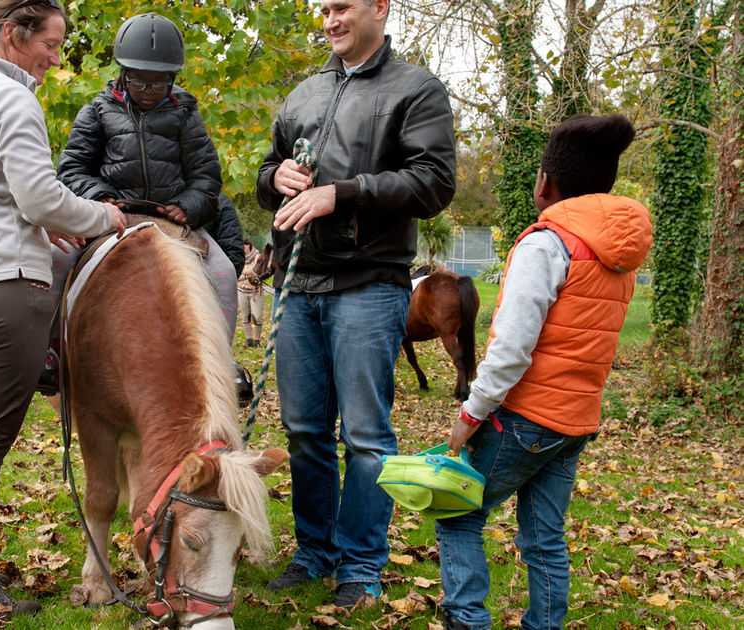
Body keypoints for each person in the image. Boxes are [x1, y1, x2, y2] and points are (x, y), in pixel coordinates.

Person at [0, 0, 126, 620]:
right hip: (8, 287)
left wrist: (39, 224)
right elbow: (38, 196)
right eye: (52, 44)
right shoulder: (12, 97)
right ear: (12, 34)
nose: (55, 59)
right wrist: (101, 217)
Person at [256, 0, 456, 609]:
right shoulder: (303, 94)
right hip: (300, 286)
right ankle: (313, 551)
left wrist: (339, 195)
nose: (329, 19)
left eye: (341, 7)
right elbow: (267, 172)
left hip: (370, 286)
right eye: (323, 10)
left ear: (379, 7)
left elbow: (434, 182)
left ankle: (360, 565)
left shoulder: (415, 89)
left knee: (367, 436)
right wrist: (277, 180)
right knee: (304, 432)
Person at [436, 114, 652, 630]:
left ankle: (467, 620)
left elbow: (512, 348)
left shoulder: (547, 244)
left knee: (458, 513)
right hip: (576, 419)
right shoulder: (617, 254)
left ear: (546, 183)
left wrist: (471, 411)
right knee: (543, 536)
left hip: (525, 418)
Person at [54, 13, 237, 335]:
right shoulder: (97, 111)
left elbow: (206, 177)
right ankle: (52, 348)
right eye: (138, 81)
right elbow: (71, 168)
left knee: (224, 273)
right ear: (123, 74)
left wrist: (189, 205)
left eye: (159, 82)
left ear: (172, 77)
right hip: (111, 215)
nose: (148, 91)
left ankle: (222, 360)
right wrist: (100, 197)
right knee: (57, 260)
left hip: (172, 220)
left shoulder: (186, 113)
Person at [237, 238, 271, 348]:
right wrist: (248, 274)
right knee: (245, 317)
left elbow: (256, 271)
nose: (242, 248)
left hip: (255, 292)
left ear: (248, 245)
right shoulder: (239, 258)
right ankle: (249, 340)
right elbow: (237, 276)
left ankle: (257, 341)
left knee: (257, 316)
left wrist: (245, 273)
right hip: (242, 291)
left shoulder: (257, 256)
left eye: (244, 246)